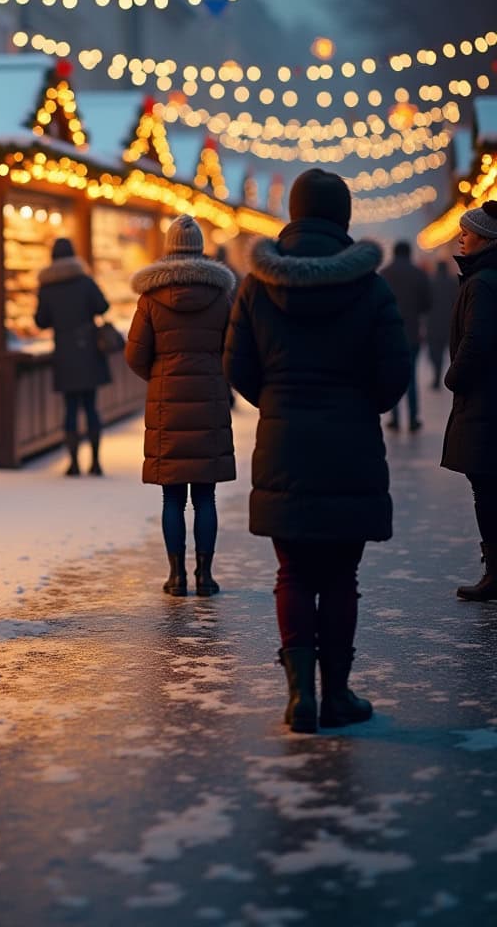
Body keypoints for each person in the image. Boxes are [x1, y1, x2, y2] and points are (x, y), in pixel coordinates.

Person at [224, 167, 409, 734]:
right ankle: (338, 694)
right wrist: (359, 404)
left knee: (294, 573)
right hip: (350, 442)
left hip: (284, 442)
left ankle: (299, 694)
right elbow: (394, 374)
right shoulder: (371, 287)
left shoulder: (257, 285)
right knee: (340, 577)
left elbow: (238, 366)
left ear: (294, 214)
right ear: (343, 217)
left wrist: (279, 401)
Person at [125, 214, 236, 597]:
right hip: (209, 405)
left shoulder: (150, 299)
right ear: (200, 248)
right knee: (205, 496)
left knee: (172, 497)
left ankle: (176, 577)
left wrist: (159, 379)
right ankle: (205, 576)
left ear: (169, 247)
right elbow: (233, 351)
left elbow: (135, 354)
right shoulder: (221, 297)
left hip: (166, 409)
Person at [440, 201, 497, 602]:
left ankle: (495, 571)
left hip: (484, 400)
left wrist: (453, 376)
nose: (461, 235)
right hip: (488, 398)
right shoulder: (484, 278)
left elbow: (477, 341)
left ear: (486, 238)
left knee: (487, 487)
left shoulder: (481, 282)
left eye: (468, 230)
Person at [35, 237, 110, 476]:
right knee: (91, 407)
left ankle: (73, 463)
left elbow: (41, 321)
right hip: (88, 349)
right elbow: (103, 306)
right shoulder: (84, 280)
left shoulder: (47, 286)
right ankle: (96, 462)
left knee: (69, 408)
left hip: (64, 351)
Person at [381, 241, 432, 431]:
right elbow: (427, 304)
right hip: (412, 332)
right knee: (411, 377)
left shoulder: (385, 273)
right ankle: (412, 418)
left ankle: (394, 418)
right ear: (410, 253)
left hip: (389, 333)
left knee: (392, 375)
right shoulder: (419, 274)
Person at [426, 258, 459, 390]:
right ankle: (446, 376)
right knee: (451, 351)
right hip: (449, 322)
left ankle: (437, 374)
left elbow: (426, 302)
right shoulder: (453, 282)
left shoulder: (431, 282)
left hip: (432, 322)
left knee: (434, 352)